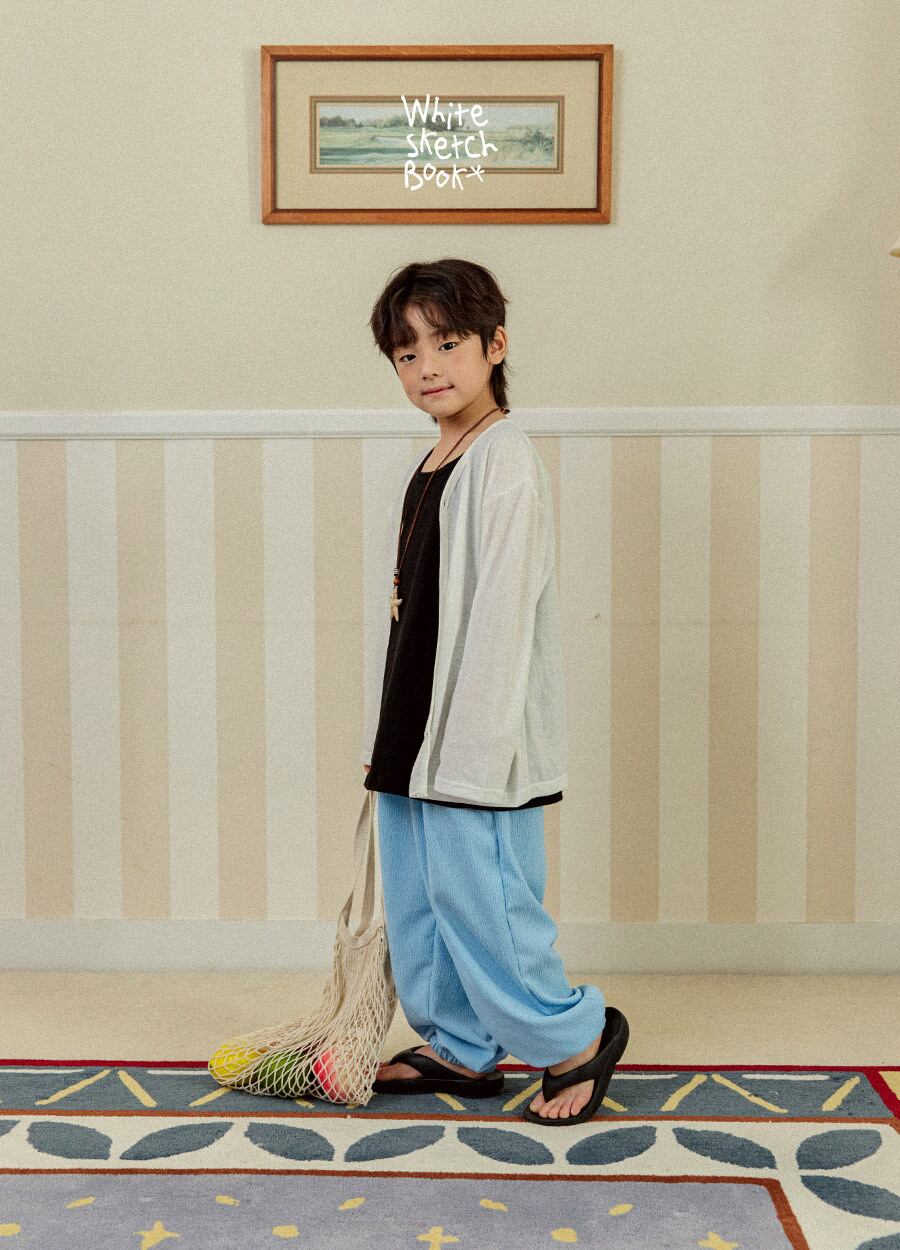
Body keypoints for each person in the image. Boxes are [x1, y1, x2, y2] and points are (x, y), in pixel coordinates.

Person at [360, 258, 628, 1125]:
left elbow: (504, 609)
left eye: (446, 344)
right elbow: (411, 609)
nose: (427, 367)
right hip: (416, 729)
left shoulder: (504, 460)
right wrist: (390, 732)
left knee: (487, 899)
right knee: (422, 897)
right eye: (407, 354)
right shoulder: (436, 459)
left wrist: (473, 745)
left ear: (495, 345)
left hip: (476, 738)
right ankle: (459, 1045)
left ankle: (572, 1037)